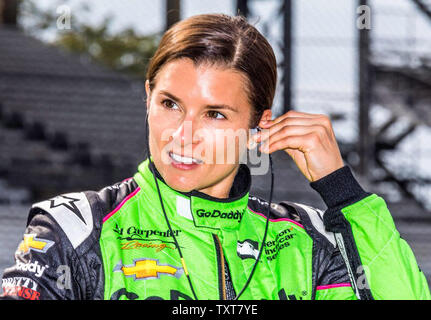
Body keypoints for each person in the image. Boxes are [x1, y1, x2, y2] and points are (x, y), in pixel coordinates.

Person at [1, 13, 429, 301]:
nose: (183, 136)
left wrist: (344, 193)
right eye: (170, 104)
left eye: (215, 114)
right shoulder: (74, 228)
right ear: (148, 98)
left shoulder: (307, 240)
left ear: (259, 124)